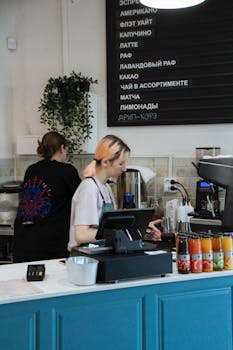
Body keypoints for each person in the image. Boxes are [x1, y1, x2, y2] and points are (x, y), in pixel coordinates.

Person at [68, 134, 161, 251]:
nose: (124, 169)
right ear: (106, 162)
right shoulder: (89, 189)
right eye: (121, 163)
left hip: (100, 254)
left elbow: (112, 227)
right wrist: (120, 232)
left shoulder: (106, 188)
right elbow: (81, 235)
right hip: (85, 259)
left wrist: (142, 230)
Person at [13, 131, 81, 263]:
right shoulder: (67, 171)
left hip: (23, 242)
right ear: (62, 148)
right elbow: (82, 198)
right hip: (51, 244)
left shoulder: (31, 170)